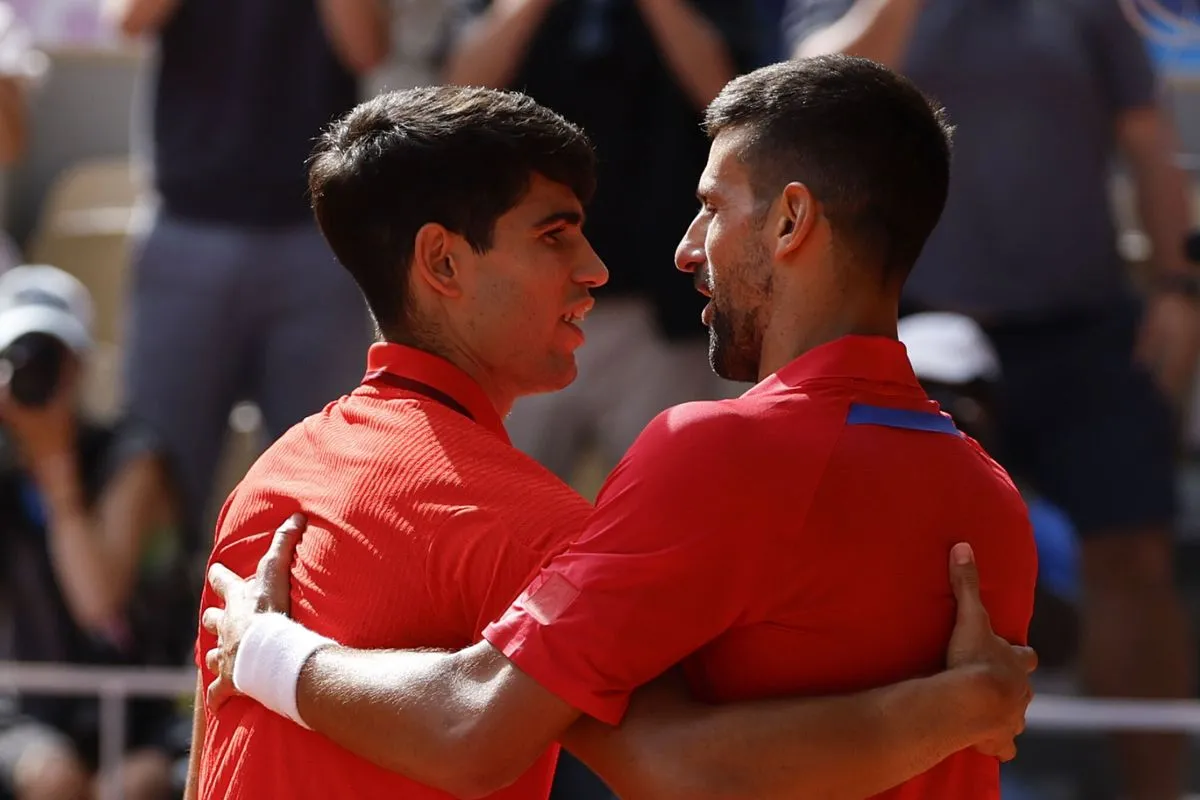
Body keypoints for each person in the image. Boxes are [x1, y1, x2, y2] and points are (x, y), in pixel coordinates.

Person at [203, 57, 1039, 800]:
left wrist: (267, 652)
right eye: (555, 234)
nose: (678, 250)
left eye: (712, 207)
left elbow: (532, 738)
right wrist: (957, 706)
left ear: (791, 221)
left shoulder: (272, 477)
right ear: (442, 264)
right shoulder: (993, 498)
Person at [785, 3, 1196, 797]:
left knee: (1136, 559)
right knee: (883, 571)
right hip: (911, 324)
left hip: (1084, 326)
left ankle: (1155, 787)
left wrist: (1180, 288)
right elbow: (811, 101)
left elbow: (1147, 143)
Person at [104, 0, 389, 547]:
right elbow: (130, 20)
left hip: (317, 241)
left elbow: (368, 46)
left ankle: (288, 630)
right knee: (154, 479)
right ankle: (156, 631)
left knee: (319, 490)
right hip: (187, 230)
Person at [442, 0, 758, 489]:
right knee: (498, 512)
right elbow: (457, 93)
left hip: (659, 315)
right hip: (521, 310)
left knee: (671, 510)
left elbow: (728, 102)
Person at [0, 265, 192, 800]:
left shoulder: (134, 459)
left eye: (47, 357)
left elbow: (98, 602)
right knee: (53, 779)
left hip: (151, 711)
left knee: (127, 790)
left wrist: (54, 463)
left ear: (78, 365)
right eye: (14, 359)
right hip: (29, 711)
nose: (31, 375)